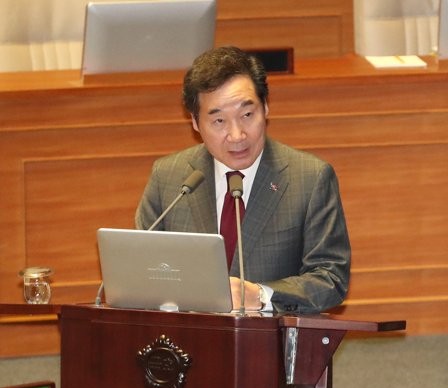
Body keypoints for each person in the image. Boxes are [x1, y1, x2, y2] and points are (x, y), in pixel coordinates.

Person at [135, 46, 350, 314]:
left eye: (247, 115)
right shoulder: (168, 177)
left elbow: (331, 278)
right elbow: (142, 269)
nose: (237, 135)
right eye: (219, 121)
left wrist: (260, 295)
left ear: (266, 107)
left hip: (271, 336)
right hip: (190, 334)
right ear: (195, 122)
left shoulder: (310, 178)